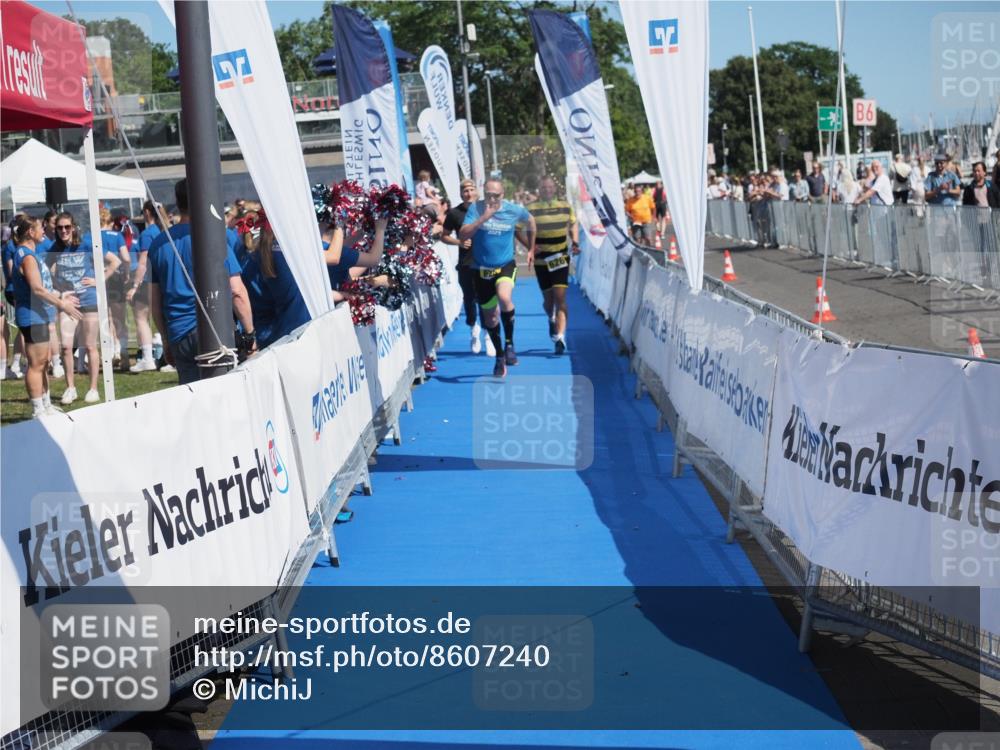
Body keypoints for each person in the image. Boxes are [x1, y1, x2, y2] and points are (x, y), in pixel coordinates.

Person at [147, 178, 255, 385]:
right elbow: (237, 291)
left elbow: (155, 303)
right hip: (216, 331)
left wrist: (167, 342)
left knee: (195, 406)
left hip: (180, 336)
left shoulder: (159, 244)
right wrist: (250, 334)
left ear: (178, 204)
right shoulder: (216, 236)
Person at [459, 178, 536, 378]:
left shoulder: (513, 210)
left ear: (503, 194)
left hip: (505, 265)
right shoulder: (476, 209)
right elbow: (462, 235)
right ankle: (500, 356)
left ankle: (510, 343)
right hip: (481, 270)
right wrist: (483, 218)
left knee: (504, 297)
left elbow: (531, 221)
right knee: (490, 317)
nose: (492, 198)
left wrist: (531, 249)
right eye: (489, 194)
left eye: (496, 195)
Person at [10, 215, 81, 417]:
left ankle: (47, 405)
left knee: (44, 362)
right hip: (32, 316)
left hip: (39, 315)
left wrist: (61, 294)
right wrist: (62, 305)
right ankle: (38, 409)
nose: (44, 230)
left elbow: (45, 288)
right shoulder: (26, 255)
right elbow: (37, 289)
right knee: (36, 364)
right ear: (30, 232)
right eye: (40, 228)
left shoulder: (31, 254)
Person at [49, 212, 121, 404]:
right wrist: (60, 292)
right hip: (70, 303)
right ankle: (70, 388)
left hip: (89, 300)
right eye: (59, 227)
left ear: (73, 227)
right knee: (66, 347)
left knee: (90, 345)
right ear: (55, 229)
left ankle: (93, 389)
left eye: (67, 227)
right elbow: (45, 274)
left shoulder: (87, 243)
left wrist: (100, 279)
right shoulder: (54, 248)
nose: (64, 231)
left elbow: (115, 261)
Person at [238, 209, 328, 349]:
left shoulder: (251, 260)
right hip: (289, 330)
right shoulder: (284, 256)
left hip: (268, 332)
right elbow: (335, 257)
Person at [440, 179, 494, 355]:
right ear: (461, 193)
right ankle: (474, 329)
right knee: (470, 299)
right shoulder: (454, 213)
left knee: (486, 300)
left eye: (471, 190)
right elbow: (444, 236)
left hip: (486, 263)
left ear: (477, 192)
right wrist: (459, 242)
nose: (469, 193)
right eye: (465, 191)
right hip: (466, 264)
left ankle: (487, 336)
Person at [526, 176, 578, 355]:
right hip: (541, 260)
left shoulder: (565, 205)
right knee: (549, 301)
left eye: (550, 187)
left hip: (560, 256)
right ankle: (551, 317)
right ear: (539, 190)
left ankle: (560, 337)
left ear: (554, 189)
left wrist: (575, 241)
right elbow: (518, 229)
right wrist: (530, 246)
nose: (547, 190)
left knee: (560, 298)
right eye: (544, 187)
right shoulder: (531, 209)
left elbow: (573, 223)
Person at [126, 201, 168, 371]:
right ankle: (162, 356)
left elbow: (143, 262)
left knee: (141, 319)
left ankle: (147, 358)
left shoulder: (147, 233)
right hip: (162, 280)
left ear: (148, 213)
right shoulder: (162, 230)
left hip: (148, 282)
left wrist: (134, 286)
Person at [91, 208, 130, 370]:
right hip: (116, 277)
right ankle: (123, 351)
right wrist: (127, 274)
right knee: (120, 317)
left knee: (106, 317)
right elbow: (126, 258)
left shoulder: (94, 237)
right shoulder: (117, 236)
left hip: (100, 276)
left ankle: (112, 351)